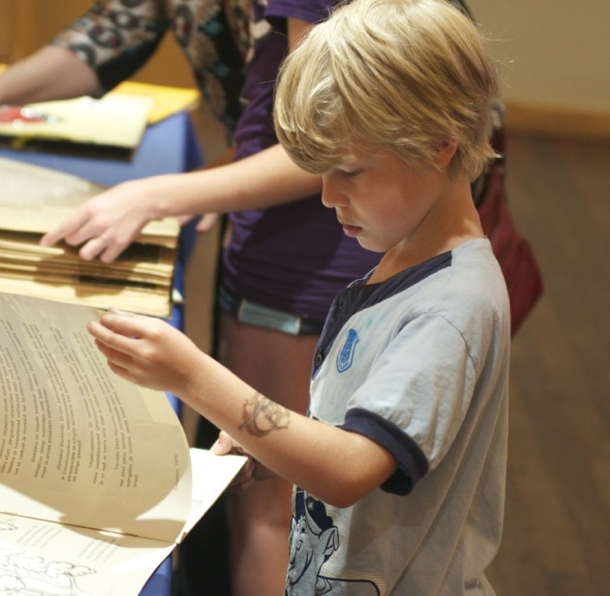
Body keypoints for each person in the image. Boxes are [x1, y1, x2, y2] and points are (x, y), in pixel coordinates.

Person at [0, 2, 382, 594]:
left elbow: (327, 136)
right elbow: (123, 25)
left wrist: (170, 196)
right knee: (262, 497)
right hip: (282, 253)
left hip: (308, 264)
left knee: (274, 509)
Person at [86, 0, 510, 593]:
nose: (328, 195)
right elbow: (353, 426)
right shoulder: (402, 257)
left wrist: (193, 379)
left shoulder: (450, 307)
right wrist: (278, 436)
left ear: (440, 144)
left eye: (350, 171)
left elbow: (351, 469)